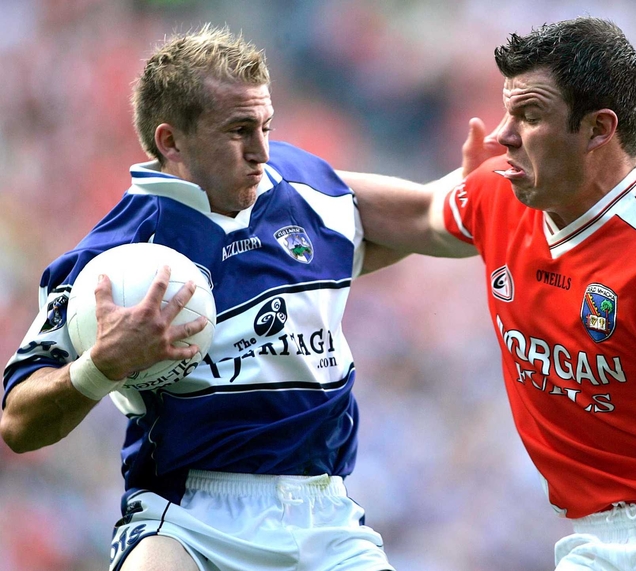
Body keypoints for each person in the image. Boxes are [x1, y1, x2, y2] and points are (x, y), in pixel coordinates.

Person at [341, 17, 636, 571]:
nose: (501, 135)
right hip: (590, 542)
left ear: (598, 129)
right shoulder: (501, 193)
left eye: (530, 116)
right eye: (507, 110)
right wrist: (270, 179)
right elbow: (409, 213)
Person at [1, 25, 396, 571]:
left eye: (266, 127)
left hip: (324, 516)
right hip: (186, 517)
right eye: (239, 130)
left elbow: (435, 217)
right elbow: (17, 422)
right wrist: (102, 364)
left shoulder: (304, 197)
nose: (262, 151)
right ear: (171, 140)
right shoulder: (107, 262)